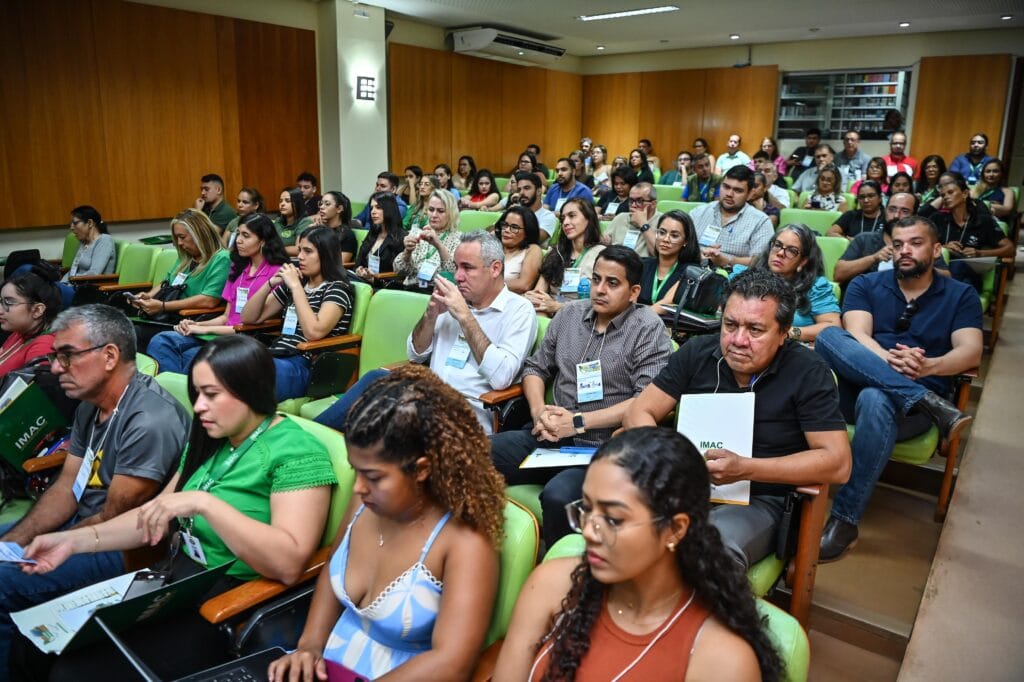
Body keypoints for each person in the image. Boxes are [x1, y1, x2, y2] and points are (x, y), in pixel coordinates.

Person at [16, 335, 336, 680]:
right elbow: (152, 516)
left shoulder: (297, 453)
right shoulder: (213, 439)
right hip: (178, 581)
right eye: (197, 395)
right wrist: (73, 541)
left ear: (252, 390)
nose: (198, 407)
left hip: (228, 601)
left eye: (211, 395)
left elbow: (287, 563)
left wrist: (204, 503)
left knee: (75, 672)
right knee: (33, 645)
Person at [269, 365, 507, 682]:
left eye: (374, 477)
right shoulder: (367, 498)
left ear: (421, 469)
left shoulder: (465, 540)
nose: (358, 487)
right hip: (331, 666)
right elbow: (331, 568)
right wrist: (309, 646)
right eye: (357, 471)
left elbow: (451, 662)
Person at [492, 428, 784, 682]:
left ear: (675, 529)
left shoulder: (721, 660)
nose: (590, 532)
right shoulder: (550, 584)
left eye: (613, 519)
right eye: (586, 509)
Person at [0, 305, 190, 673]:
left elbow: (112, 520)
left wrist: (47, 547)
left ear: (109, 356)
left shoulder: (149, 420)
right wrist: (15, 543)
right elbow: (67, 487)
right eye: (56, 356)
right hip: (82, 529)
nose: (56, 368)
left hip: (125, 549)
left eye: (67, 356)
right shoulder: (91, 404)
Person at [624, 269, 851, 569]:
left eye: (755, 330)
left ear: (784, 333)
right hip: (684, 485)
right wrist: (669, 459)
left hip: (761, 499)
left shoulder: (808, 372)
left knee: (705, 550)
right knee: (615, 524)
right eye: (730, 325)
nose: (738, 340)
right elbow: (639, 411)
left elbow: (838, 464)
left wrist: (746, 468)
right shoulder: (698, 352)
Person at [815, 216, 983, 561]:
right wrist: (891, 363)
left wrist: (928, 366)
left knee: (877, 398)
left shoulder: (960, 294)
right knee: (831, 336)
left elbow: (971, 350)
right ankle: (932, 403)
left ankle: (845, 521)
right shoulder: (866, 284)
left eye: (916, 243)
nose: (904, 250)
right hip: (862, 391)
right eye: (898, 243)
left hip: (914, 411)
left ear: (936, 249)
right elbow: (858, 335)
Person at [492, 246, 672, 548]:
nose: (599, 290)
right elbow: (535, 369)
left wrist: (576, 422)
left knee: (559, 496)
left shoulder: (648, 329)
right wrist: (538, 412)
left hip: (603, 447)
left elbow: (646, 401)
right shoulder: (570, 315)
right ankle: (487, 551)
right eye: (596, 279)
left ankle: (566, 576)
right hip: (550, 435)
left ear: (634, 292)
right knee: (476, 452)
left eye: (612, 283)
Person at [145, 213, 288, 374]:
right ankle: (172, 392)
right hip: (221, 334)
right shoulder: (238, 268)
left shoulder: (277, 273)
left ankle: (178, 393)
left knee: (193, 357)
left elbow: (252, 324)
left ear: (263, 240)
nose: (239, 240)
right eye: (238, 234)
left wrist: (205, 329)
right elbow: (226, 317)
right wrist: (196, 325)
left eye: (246, 236)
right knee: (161, 341)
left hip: (246, 338)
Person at [240, 227, 354, 400]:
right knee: (219, 359)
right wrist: (270, 283)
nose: (300, 256)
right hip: (276, 354)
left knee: (247, 373)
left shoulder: (337, 288)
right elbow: (248, 317)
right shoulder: (296, 285)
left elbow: (314, 332)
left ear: (326, 255)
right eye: (300, 250)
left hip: (307, 364)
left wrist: (295, 287)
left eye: (308, 251)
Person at [731, 224, 841, 343]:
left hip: (789, 350)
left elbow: (832, 327)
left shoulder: (815, 287)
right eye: (777, 245)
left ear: (803, 261)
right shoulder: (746, 276)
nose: (780, 253)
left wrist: (786, 333)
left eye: (792, 251)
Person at [126, 208, 231, 326]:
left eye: (182, 237)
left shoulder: (222, 258)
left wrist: (163, 306)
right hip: (169, 316)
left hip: (190, 321)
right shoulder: (186, 257)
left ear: (199, 235)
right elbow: (166, 283)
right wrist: (148, 297)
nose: (179, 243)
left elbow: (209, 300)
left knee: (135, 332)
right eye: (177, 238)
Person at [833, 192, 953, 285]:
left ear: (915, 215)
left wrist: (916, 265)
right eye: (892, 209)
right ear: (885, 211)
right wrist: (874, 258)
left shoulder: (922, 244)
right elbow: (838, 274)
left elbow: (946, 277)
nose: (896, 215)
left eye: (904, 211)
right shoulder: (864, 239)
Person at [921, 172, 1013, 288]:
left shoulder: (983, 221)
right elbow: (922, 243)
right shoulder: (937, 218)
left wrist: (980, 253)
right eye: (943, 195)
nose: (946, 197)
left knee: (961, 270)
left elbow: (1009, 249)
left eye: (950, 193)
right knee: (963, 283)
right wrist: (944, 247)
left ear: (964, 194)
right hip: (941, 269)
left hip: (970, 271)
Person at [526, 199, 605, 318]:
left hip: (583, 316)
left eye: (572, 216)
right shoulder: (556, 253)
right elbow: (539, 293)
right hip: (549, 312)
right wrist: (533, 298)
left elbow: (601, 302)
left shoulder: (602, 255)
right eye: (563, 219)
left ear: (589, 218)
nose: (566, 222)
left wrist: (557, 306)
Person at [690, 165, 774, 268]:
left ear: (749, 194)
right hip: (692, 270)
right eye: (726, 187)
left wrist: (727, 261)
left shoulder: (760, 222)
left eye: (738, 190)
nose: (729, 194)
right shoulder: (698, 213)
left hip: (734, 278)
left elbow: (761, 262)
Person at [393, 189, 462, 289]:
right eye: (431, 209)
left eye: (440, 211)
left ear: (451, 213)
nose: (434, 215)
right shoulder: (417, 233)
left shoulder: (459, 239)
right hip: (411, 289)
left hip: (438, 293)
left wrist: (439, 245)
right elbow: (399, 271)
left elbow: (453, 275)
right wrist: (407, 252)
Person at [0, 266, 61, 377]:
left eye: (9, 302)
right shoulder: (19, 332)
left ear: (37, 310)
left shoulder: (43, 348)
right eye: (1, 301)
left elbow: (36, 393)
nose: (0, 310)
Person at [639, 209, 702, 313]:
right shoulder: (642, 264)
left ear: (685, 241)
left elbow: (667, 303)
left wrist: (634, 321)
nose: (666, 239)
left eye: (674, 235)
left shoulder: (692, 271)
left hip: (667, 327)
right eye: (662, 233)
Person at [354, 192, 407, 282]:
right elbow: (358, 262)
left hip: (383, 287)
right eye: (371, 208)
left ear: (389, 209)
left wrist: (374, 279)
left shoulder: (402, 237)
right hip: (363, 280)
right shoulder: (373, 232)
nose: (373, 212)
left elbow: (399, 275)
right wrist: (359, 270)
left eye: (378, 207)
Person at [605, 182, 663, 258]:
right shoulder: (621, 217)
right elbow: (604, 240)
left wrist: (643, 224)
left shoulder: (663, 221)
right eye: (631, 201)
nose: (633, 205)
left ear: (653, 204)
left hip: (643, 266)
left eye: (640, 201)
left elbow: (659, 254)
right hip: (616, 262)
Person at [61, 205, 115, 282]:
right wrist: (61, 284)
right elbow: (73, 270)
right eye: (71, 224)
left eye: (75, 223)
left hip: (89, 289)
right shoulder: (83, 242)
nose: (71, 227)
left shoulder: (104, 240)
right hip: (74, 285)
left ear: (90, 223)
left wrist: (71, 281)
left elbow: (94, 273)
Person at [497, 206, 543, 294]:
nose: (506, 230)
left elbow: (524, 285)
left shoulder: (533, 249)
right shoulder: (494, 246)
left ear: (527, 232)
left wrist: (488, 285)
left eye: (514, 227)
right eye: (505, 225)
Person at [314, 191, 357, 262]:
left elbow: (340, 263)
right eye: (321, 204)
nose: (321, 207)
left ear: (339, 209)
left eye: (327, 204)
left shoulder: (348, 235)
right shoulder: (319, 229)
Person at [515, 171, 557, 242]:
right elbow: (492, 230)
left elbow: (534, 239)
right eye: (519, 189)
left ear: (539, 191)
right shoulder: (514, 212)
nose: (521, 193)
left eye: (527, 188)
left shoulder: (547, 216)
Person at [274, 186, 314, 256]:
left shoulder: (305, 222)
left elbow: (298, 249)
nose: (282, 204)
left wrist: (275, 249)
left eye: (287, 201)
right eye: (280, 201)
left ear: (297, 203)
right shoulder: (278, 221)